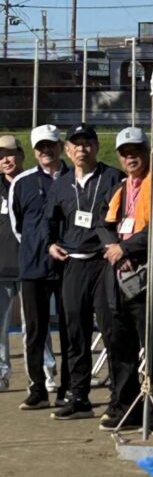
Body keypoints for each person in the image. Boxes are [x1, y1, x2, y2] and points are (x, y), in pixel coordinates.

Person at [99, 127, 153, 431]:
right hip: (119, 277)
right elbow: (103, 222)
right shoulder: (119, 187)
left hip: (152, 277)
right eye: (125, 152)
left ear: (147, 151)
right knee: (120, 346)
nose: (130, 157)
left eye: (136, 151)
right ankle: (126, 407)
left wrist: (125, 248)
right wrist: (113, 247)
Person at [46, 123, 123, 420]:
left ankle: (120, 397)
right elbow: (50, 220)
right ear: (67, 149)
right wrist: (51, 244)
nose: (81, 149)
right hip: (73, 264)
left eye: (87, 143)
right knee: (74, 332)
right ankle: (79, 396)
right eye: (75, 144)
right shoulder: (61, 183)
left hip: (103, 263)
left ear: (96, 146)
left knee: (111, 331)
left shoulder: (112, 177)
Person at [9, 124, 71, 410]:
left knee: (72, 329)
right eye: (40, 147)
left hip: (70, 267)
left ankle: (69, 389)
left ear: (60, 146)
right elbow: (18, 226)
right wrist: (38, 247)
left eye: (51, 145)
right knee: (34, 330)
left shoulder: (74, 177)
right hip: (33, 267)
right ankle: (37, 388)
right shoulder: (22, 183)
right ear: (34, 152)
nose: (46, 150)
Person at [0, 135, 21, 393]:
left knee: (36, 326)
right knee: (1, 324)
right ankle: (2, 372)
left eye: (10, 153)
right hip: (2, 265)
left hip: (31, 263)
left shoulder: (31, 182)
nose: (5, 159)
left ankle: (45, 371)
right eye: (1, 155)